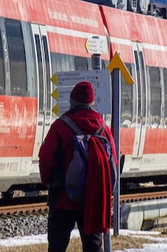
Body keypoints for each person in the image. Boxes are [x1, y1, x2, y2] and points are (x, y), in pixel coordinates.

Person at [38, 80, 117, 252]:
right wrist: (104, 192)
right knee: (93, 246)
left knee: (57, 246)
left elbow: (46, 158)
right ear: (92, 103)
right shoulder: (104, 129)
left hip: (62, 198)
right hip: (92, 200)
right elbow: (113, 165)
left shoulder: (60, 126)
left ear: (71, 101)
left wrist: (49, 181)